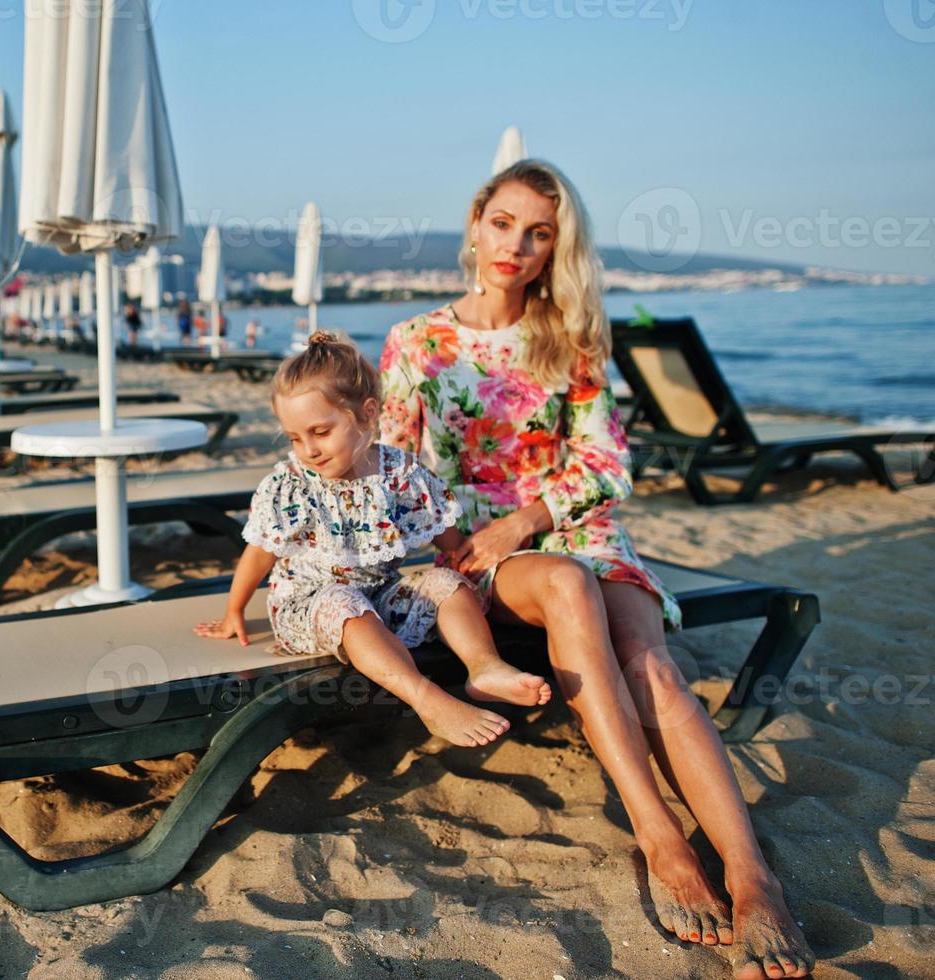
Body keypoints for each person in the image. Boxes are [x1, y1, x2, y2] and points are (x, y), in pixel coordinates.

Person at [378, 158, 812, 978]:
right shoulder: (415, 344)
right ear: (476, 224)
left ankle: (753, 875)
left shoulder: (568, 336)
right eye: (503, 224)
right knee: (569, 589)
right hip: (477, 547)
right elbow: (396, 473)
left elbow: (608, 463)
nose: (516, 244)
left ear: (554, 248)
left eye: (538, 233)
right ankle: (658, 835)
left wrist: (530, 517)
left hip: (574, 524)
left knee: (651, 662)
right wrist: (463, 538)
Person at [195, 332, 552, 747]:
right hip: (311, 602)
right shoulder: (292, 484)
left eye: (320, 431)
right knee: (346, 606)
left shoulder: (397, 472)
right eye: (295, 437)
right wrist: (233, 610)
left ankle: (485, 667)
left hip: (379, 594)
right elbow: (259, 552)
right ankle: (427, 699)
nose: (308, 449)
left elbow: (440, 530)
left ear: (366, 415)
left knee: (445, 584)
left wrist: (464, 560)